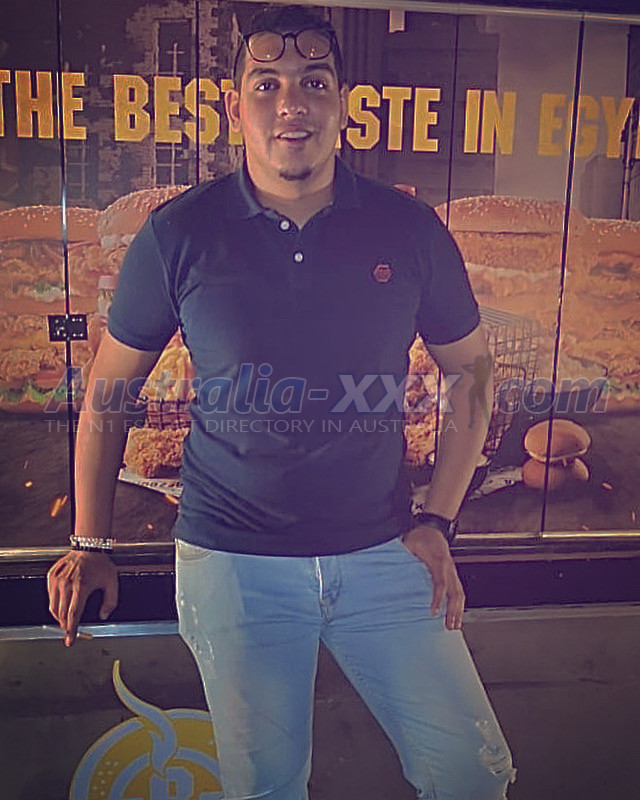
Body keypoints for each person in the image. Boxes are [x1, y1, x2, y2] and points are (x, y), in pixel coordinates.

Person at [47, 6, 515, 798]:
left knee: (474, 772)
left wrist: (439, 518)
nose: (291, 103)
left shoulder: (407, 228)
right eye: (267, 84)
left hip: (383, 552)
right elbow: (109, 393)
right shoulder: (178, 234)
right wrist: (90, 540)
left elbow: (471, 370)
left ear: (343, 105)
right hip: (235, 565)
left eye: (314, 82)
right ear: (236, 108)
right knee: (265, 788)